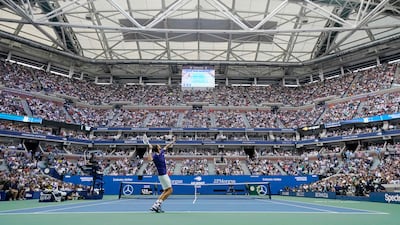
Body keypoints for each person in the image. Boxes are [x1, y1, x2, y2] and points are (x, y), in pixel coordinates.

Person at [146, 136, 176, 213]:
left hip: (162, 175)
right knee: (170, 190)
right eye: (159, 145)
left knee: (166, 190)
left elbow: (166, 146)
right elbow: (149, 160)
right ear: (157, 148)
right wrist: (150, 150)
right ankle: (158, 203)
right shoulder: (155, 156)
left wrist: (172, 142)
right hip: (163, 175)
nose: (160, 145)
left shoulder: (162, 152)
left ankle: (156, 205)